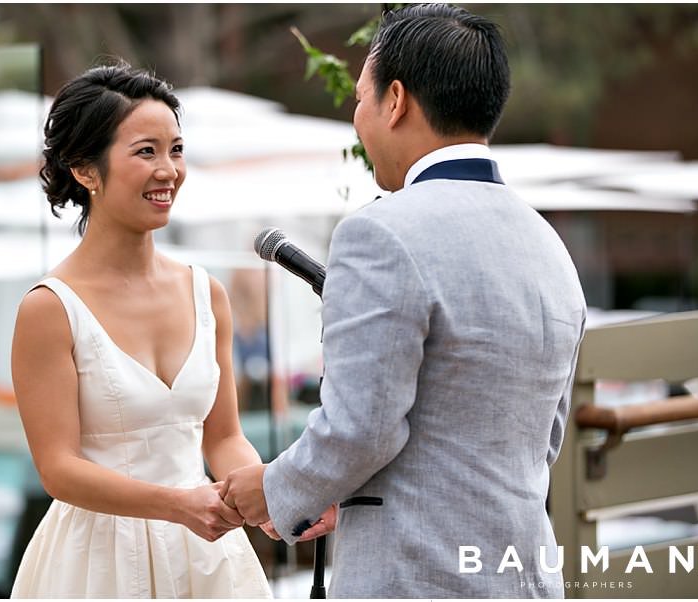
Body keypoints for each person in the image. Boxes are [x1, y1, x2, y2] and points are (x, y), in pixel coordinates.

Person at [221, 4, 587, 598]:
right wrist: (357, 499)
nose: (358, 120)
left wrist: (272, 489)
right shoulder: (547, 242)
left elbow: (360, 429)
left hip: (416, 574)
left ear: (396, 101)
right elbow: (541, 438)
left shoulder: (380, 232)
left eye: (360, 100)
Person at [9, 61, 272, 598]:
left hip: (208, 553)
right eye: (145, 151)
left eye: (176, 149)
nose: (169, 170)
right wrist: (177, 505)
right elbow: (57, 468)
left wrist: (266, 497)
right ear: (84, 170)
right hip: (96, 563)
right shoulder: (49, 307)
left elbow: (223, 438)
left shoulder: (206, 292)